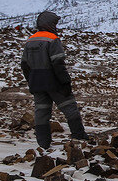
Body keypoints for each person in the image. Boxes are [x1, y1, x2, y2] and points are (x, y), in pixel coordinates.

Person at [20, 11, 88, 148]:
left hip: (37, 82)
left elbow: (24, 64)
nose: (56, 26)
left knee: (41, 112)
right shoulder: (52, 39)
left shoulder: (30, 40)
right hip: (53, 81)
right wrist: (65, 82)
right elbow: (58, 63)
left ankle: (43, 144)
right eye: (54, 23)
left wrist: (31, 80)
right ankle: (79, 136)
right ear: (50, 24)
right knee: (69, 107)